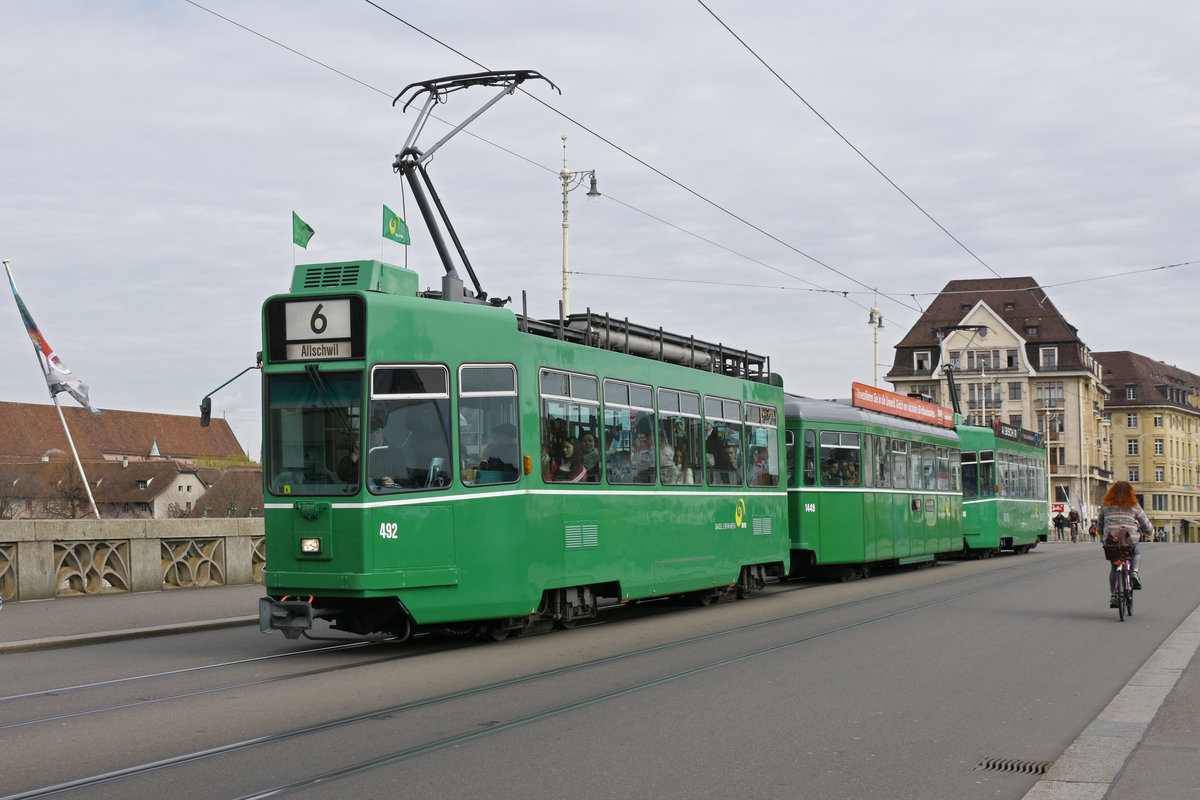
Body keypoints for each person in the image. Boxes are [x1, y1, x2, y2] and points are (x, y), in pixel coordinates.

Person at [1099, 480, 1153, 607]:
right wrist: (1149, 531)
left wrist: (1102, 535)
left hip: (1111, 541)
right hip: (1129, 540)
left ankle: (1114, 596)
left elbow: (1100, 523)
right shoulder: (1134, 505)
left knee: (1114, 568)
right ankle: (1134, 572)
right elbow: (1145, 523)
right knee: (1136, 553)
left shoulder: (1105, 505)